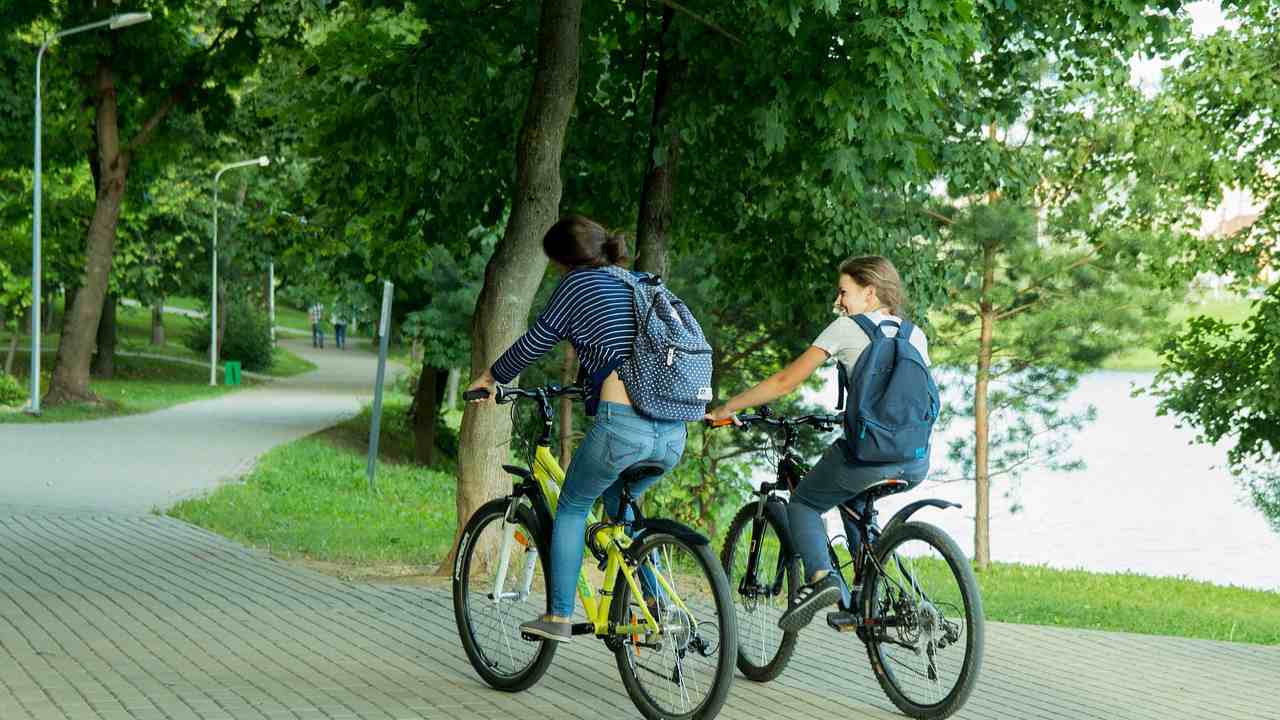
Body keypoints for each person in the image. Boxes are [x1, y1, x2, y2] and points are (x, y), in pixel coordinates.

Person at [465, 215, 687, 643]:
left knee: (571, 507)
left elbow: (537, 340)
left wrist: (492, 377)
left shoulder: (578, 285)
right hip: (673, 430)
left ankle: (559, 617)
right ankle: (654, 606)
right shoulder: (639, 281)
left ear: (565, 260)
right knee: (622, 510)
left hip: (623, 428)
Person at [704, 255, 931, 632]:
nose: (840, 301)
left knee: (805, 503)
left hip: (868, 456)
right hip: (915, 459)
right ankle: (861, 601)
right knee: (854, 500)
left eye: (844, 292)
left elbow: (784, 382)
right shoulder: (915, 334)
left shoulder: (845, 329)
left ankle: (822, 579)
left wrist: (726, 407)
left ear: (869, 292)